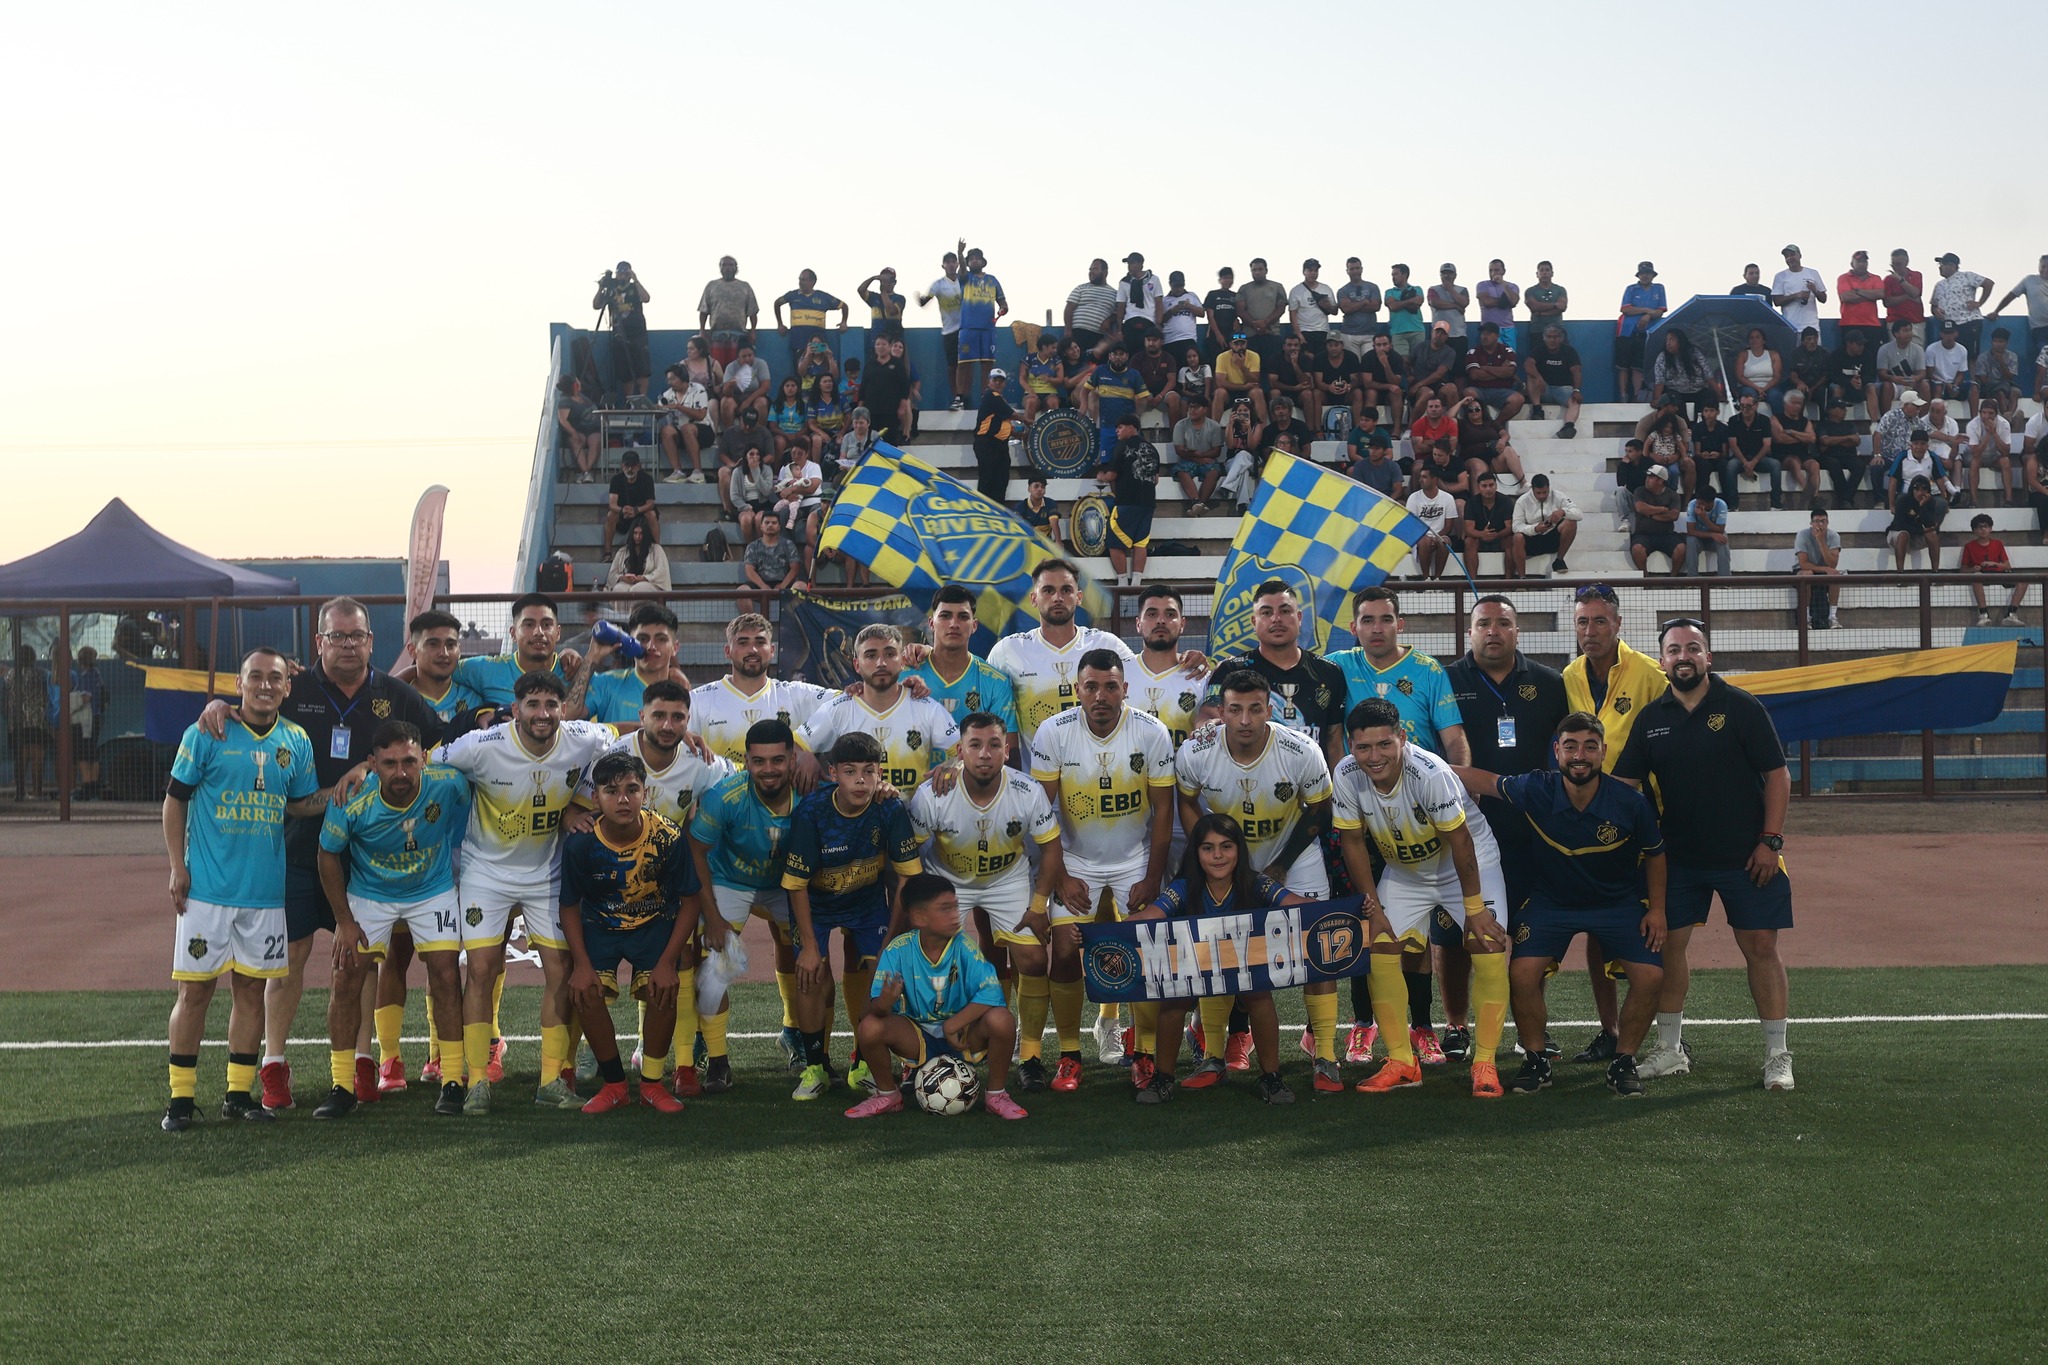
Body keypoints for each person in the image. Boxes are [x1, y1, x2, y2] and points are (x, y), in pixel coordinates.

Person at [196, 599, 444, 1109]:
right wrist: (218, 705)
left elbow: (440, 747)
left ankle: (360, 1062)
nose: (348, 646)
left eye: (356, 637)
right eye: (337, 637)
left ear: (371, 642)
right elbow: (247, 712)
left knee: (360, 961)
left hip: (371, 856)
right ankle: (274, 1066)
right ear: (319, 643)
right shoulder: (293, 690)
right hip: (296, 848)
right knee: (289, 959)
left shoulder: (398, 695)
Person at [1615, 621, 1795, 1092]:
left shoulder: (1741, 707)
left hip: (1747, 856)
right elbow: (1625, 786)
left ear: (1708, 657)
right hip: (1677, 859)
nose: (1683, 657)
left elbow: (1778, 776)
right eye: (1673, 650)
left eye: (1693, 648)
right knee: (1668, 948)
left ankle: (1778, 1055)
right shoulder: (1651, 717)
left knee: (1760, 948)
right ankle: (1670, 1051)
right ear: (1663, 662)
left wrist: (1770, 841)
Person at [1453, 713, 1669, 1098]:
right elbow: (1484, 780)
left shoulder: (1630, 802)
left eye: (1589, 746)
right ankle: (1536, 1060)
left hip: (1616, 902)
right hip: (1551, 901)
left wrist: (1657, 909)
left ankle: (1624, 1061)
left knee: (1651, 977)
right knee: (1521, 974)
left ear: (1603, 752)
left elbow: (1656, 855)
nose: (1579, 755)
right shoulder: (1536, 787)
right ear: (1557, 752)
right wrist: (1420, 763)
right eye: (1570, 746)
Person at [430, 671, 616, 1113]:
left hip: (544, 871)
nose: (543, 714)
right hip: (485, 872)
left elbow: (622, 738)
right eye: (532, 705)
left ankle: (550, 1080)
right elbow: (430, 759)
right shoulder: (482, 745)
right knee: (481, 969)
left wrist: (579, 803)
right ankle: (477, 1081)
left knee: (562, 966)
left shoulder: (583, 738)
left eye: (551, 705)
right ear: (515, 710)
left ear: (563, 710)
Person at [159, 648, 323, 1131]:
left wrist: (341, 793)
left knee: (251, 991)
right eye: (256, 677)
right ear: (240, 682)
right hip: (207, 891)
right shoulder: (206, 731)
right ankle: (181, 1100)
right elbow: (174, 802)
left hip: (265, 894)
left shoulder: (295, 739)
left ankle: (238, 1093)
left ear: (287, 687)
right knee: (195, 994)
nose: (266, 685)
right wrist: (177, 867)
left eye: (275, 678)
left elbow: (299, 803)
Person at [1332, 699, 1510, 1098]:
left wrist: (1475, 909)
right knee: (1379, 948)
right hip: (1406, 872)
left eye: (1383, 745)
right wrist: (1374, 909)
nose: (1374, 757)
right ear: (1350, 746)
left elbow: (1461, 841)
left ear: (1402, 738)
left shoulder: (1430, 773)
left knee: (1488, 946)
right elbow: (1353, 841)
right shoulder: (1345, 774)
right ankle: (1402, 1062)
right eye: (1363, 748)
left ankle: (1485, 1063)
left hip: (1465, 864)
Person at [1174, 670, 1337, 1090]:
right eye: (1234, 710)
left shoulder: (1301, 750)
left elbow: (1318, 813)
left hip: (1292, 855)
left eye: (1254, 709)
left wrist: (1280, 867)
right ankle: (1212, 1056)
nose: (1245, 719)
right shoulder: (1196, 750)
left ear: (1271, 709)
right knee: (1217, 947)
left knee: (1317, 945)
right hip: (1227, 859)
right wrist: (1211, 854)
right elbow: (1187, 802)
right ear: (1221, 711)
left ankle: (1326, 1055)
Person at [1027, 650, 1177, 1091]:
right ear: (1078, 691)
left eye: (1110, 686)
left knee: (1144, 949)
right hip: (1075, 860)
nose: (1101, 695)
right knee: (1068, 952)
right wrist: (1059, 876)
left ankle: (1143, 1052)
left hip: (1135, 857)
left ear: (1124, 689)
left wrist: (1152, 876)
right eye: (1091, 686)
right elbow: (1041, 812)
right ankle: (1070, 1054)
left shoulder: (1152, 732)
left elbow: (1164, 813)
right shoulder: (1053, 732)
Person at [311, 721, 473, 1118]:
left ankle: (452, 1080)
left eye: (408, 762)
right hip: (371, 894)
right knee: (345, 975)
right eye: (388, 764)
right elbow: (326, 855)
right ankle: (342, 1086)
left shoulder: (449, 783)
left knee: (446, 975)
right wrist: (344, 921)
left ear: (423, 759)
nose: (400, 772)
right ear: (372, 764)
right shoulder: (351, 796)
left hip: (430, 889)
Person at [579, 679, 733, 1092]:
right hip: (607, 880)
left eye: (679, 717)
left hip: (669, 877)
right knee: (586, 972)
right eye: (659, 715)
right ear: (642, 715)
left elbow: (742, 785)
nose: (668, 725)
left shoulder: (702, 761)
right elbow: (577, 799)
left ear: (689, 720)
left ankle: (682, 1064)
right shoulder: (611, 754)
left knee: (681, 958)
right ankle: (589, 1053)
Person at [1444, 596, 1570, 1063]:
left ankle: (1532, 1027)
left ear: (1517, 631)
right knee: (1456, 932)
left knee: (1527, 932)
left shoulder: (1550, 683)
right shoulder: (1447, 680)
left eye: (1503, 623)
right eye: (1483, 624)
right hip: (1463, 827)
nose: (1492, 631)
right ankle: (1456, 1026)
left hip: (1532, 830)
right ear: (1470, 631)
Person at [904, 713, 1058, 1087]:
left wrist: (1038, 907)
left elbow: (1051, 851)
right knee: (927, 963)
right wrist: (920, 907)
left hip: (1007, 878)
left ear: (1007, 751)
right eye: (975, 745)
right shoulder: (932, 795)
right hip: (946, 879)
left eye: (994, 745)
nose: (984, 753)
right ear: (960, 751)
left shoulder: (1027, 791)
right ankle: (918, 1055)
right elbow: (911, 856)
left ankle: (1032, 1055)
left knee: (1034, 958)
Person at [1558, 583, 1670, 1062]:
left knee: (1646, 932)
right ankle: (1609, 1031)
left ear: (1618, 625)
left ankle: (1661, 1035)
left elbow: (1674, 739)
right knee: (1598, 933)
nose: (1590, 631)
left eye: (1600, 621)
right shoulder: (1568, 676)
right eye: (1582, 621)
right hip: (1590, 824)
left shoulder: (1648, 673)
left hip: (1644, 825)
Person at [780, 732, 923, 1102]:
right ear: (832, 773)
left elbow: (907, 876)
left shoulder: (890, 809)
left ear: (880, 773)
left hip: (867, 901)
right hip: (818, 904)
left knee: (883, 971)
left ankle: (862, 1063)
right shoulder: (811, 813)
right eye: (850, 771)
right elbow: (795, 885)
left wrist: (892, 940)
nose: (861, 780)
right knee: (811, 976)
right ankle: (816, 1067)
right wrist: (810, 946)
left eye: (869, 771)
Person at [556, 752, 697, 1115]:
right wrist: (582, 964)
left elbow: (690, 901)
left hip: (654, 924)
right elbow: (569, 906)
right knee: (584, 990)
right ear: (596, 799)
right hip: (600, 926)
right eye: (611, 790)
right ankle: (615, 1084)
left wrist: (668, 961)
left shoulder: (668, 836)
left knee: (664, 987)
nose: (622, 799)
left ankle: (652, 1084)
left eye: (632, 789)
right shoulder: (580, 844)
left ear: (645, 794)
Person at [1128, 813, 1303, 1105]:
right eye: (1208, 848)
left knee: (1260, 994)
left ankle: (1271, 1077)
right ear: (1196, 853)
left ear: (1239, 850)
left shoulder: (1255, 882)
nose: (1218, 855)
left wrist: (1346, 909)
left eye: (1226, 846)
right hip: (1196, 965)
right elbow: (1150, 915)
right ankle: (1164, 1079)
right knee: (1173, 1001)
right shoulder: (1184, 887)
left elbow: (1296, 903)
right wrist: (1102, 932)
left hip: (1242, 964)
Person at [844, 874, 1027, 1120]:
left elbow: (993, 993)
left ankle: (996, 1095)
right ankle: (888, 1095)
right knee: (870, 1028)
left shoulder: (964, 945)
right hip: (916, 1036)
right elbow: (872, 1010)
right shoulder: (898, 950)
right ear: (919, 917)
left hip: (963, 1036)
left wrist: (955, 1023)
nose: (954, 914)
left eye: (955, 906)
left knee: (1002, 1019)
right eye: (945, 908)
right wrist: (885, 1003)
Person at [686, 719, 802, 1089]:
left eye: (777, 760)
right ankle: (717, 1059)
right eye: (759, 761)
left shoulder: (812, 793)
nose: (768, 770)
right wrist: (713, 917)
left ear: (793, 760)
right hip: (730, 878)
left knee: (809, 958)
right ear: (747, 761)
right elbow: (696, 849)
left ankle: (805, 1042)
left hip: (786, 883)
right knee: (714, 965)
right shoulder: (726, 796)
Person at [798, 624, 960, 794]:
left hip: (914, 818)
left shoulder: (927, 708)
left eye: (890, 654)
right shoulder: (839, 708)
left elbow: (963, 752)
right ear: (857, 665)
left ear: (902, 661)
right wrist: (804, 755)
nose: (881, 663)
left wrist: (957, 762)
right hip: (857, 819)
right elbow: (795, 744)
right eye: (871, 655)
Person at [1097, 412, 1160, 587]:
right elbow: (1156, 479)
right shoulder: (1152, 449)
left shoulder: (1121, 447)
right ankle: (1137, 584)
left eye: (1120, 427)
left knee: (1114, 542)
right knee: (1140, 542)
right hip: (1148, 502)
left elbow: (1111, 475)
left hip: (1127, 502)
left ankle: (1123, 583)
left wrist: (1101, 475)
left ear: (1131, 428)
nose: (1117, 431)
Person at [772, 267, 849, 374]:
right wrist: (780, 324)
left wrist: (844, 322)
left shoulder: (823, 297)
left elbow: (844, 306)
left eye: (803, 279)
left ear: (812, 282)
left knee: (821, 376)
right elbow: (777, 303)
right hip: (798, 344)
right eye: (799, 279)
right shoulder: (793, 295)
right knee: (800, 376)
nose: (800, 282)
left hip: (818, 347)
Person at [955, 247, 1008, 403]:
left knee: (987, 364)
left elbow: (1003, 301)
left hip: (987, 329)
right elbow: (962, 270)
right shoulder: (965, 277)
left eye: (977, 258)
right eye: (971, 259)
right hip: (968, 328)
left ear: (983, 262)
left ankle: (987, 396)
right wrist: (959, 254)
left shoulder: (992, 279)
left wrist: (1003, 308)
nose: (974, 260)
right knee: (963, 363)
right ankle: (959, 397)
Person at [594, 262, 651, 399]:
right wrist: (601, 287)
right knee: (625, 374)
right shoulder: (611, 289)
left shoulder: (633, 287)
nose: (623, 276)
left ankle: (642, 401)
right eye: (620, 273)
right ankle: (630, 401)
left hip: (637, 333)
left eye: (626, 273)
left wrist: (635, 280)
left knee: (642, 370)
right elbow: (596, 305)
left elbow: (646, 298)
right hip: (619, 334)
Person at [1958, 514, 2027, 626]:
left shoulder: (1998, 544)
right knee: (1976, 577)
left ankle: (2012, 613)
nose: (1983, 529)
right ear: (1974, 530)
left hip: (1998, 573)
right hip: (1981, 574)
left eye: (1986, 526)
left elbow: (2007, 566)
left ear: (1990, 528)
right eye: (1980, 527)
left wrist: (1994, 563)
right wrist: (1973, 569)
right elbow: (1963, 570)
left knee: (2023, 580)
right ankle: (1984, 614)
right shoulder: (1969, 546)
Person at [1615, 261, 1667, 401]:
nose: (1645, 276)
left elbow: (1661, 311)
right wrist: (1647, 310)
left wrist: (1648, 315)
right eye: (1643, 273)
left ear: (1652, 275)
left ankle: (1637, 396)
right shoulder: (1631, 289)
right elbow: (1625, 309)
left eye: (1648, 273)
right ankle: (1623, 396)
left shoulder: (1659, 288)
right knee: (1623, 366)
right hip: (1626, 331)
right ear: (1639, 275)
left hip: (1647, 332)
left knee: (1638, 366)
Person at [657, 358, 714, 484]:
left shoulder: (698, 389)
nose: (669, 382)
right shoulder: (667, 395)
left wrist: (678, 406)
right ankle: (678, 472)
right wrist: (656, 410)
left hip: (703, 431)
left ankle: (698, 472)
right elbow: (660, 414)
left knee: (687, 428)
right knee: (666, 431)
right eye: (668, 379)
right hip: (680, 433)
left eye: (672, 379)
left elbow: (701, 415)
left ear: (682, 377)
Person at [1511, 473, 1580, 574]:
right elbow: (1516, 526)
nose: (1542, 496)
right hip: (1532, 539)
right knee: (1517, 537)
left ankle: (1559, 560)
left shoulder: (1558, 496)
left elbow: (1579, 513)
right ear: (1532, 490)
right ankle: (1522, 579)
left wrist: (1563, 512)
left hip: (1552, 537)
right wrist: (1535, 529)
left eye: (1545, 492)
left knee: (1571, 522)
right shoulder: (1522, 501)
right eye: (1538, 493)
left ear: (1549, 488)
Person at [696, 256, 759, 367]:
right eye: (724, 265)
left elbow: (752, 312)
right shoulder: (712, 286)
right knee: (717, 367)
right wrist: (702, 330)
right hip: (716, 335)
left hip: (739, 335)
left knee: (739, 368)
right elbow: (703, 311)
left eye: (731, 265)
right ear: (720, 268)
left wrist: (753, 330)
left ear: (736, 268)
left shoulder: (745, 287)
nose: (727, 268)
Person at [1929, 252, 1994, 357]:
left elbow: (1988, 283)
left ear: (1952, 265)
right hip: (1949, 326)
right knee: (1947, 355)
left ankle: (1973, 374)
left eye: (1942, 264)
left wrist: (1979, 303)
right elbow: (1933, 305)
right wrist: (1935, 310)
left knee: (1971, 355)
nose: (1940, 268)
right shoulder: (1939, 285)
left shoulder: (1967, 276)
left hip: (1968, 321)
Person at [1725, 394, 1784, 509]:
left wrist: (1753, 462)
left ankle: (1776, 503)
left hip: (1760, 458)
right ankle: (1733, 504)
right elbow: (1733, 445)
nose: (1745, 409)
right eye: (1742, 406)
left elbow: (1767, 444)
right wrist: (1745, 463)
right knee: (1731, 466)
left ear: (1756, 406)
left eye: (1748, 406)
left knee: (1775, 464)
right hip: (1740, 458)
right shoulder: (1733, 421)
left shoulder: (1764, 420)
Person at [1525, 325, 1582, 438]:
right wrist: (1538, 377)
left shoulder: (1569, 351)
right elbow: (1528, 364)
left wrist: (1576, 390)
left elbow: (1577, 371)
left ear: (1561, 338)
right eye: (1549, 337)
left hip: (1563, 389)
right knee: (1531, 376)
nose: (1552, 340)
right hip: (1543, 389)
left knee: (1576, 400)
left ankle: (1569, 426)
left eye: (1555, 337)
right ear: (1544, 338)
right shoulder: (1539, 349)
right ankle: (1537, 411)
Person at [972, 366, 1018, 504]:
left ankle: (997, 511)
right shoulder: (990, 395)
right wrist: (1029, 421)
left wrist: (1020, 435)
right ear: (988, 382)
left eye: (1000, 381)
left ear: (1004, 384)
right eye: (995, 380)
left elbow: (1002, 425)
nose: (997, 383)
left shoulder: (1000, 400)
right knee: (987, 479)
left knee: (1001, 481)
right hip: (987, 443)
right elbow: (1011, 414)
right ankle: (984, 511)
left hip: (1000, 445)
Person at [1794, 504, 1845, 629]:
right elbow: (1803, 563)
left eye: (1823, 521)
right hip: (1804, 570)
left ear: (1828, 522)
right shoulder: (1802, 535)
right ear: (1811, 523)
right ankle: (1806, 618)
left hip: (1823, 571)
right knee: (1807, 574)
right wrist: (1825, 569)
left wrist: (1821, 541)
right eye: (1817, 521)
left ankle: (1832, 617)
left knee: (1835, 575)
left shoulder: (1834, 536)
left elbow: (1832, 564)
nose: (1820, 525)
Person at [603, 449, 659, 560]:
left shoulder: (647, 479)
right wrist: (622, 510)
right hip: (624, 515)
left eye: (633, 466)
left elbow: (650, 503)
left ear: (638, 466)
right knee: (611, 515)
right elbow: (612, 504)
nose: (630, 469)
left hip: (641, 515)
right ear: (622, 466)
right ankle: (607, 553)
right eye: (627, 465)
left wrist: (636, 510)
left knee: (651, 514)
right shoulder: (616, 480)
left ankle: (658, 551)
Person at [1462, 321, 1523, 421]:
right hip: (1479, 389)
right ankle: (1479, 424)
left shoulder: (1507, 350)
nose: (1484, 337)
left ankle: (1496, 426)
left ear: (1497, 336)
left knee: (1518, 399)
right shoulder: (1473, 352)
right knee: (1468, 393)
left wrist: (1485, 368)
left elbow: (1509, 372)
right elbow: (1475, 375)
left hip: (1502, 390)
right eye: (1483, 333)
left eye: (1488, 334)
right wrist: (1501, 371)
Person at [1235, 258, 1289, 370]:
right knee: (1252, 370)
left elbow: (1281, 308)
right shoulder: (1244, 289)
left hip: (1272, 333)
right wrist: (1256, 325)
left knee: (1274, 369)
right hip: (1251, 335)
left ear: (1266, 270)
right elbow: (1240, 310)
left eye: (1260, 269)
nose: (1257, 272)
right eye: (1254, 270)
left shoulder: (1277, 287)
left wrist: (1266, 322)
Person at [1960, 399, 2015, 507]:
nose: (1987, 416)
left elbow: (2005, 452)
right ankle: (1973, 500)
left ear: (1996, 414)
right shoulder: (1972, 425)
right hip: (1973, 456)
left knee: (2006, 461)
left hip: (1994, 456)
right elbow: (1975, 453)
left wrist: (1994, 433)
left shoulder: (2004, 423)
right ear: (1980, 413)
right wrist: (1988, 435)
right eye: (1984, 413)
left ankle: (2009, 499)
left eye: (1990, 413)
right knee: (1975, 462)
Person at [1771, 388, 1822, 504]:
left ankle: (1815, 497)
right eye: (1794, 403)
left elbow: (1812, 438)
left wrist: (1792, 432)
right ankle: (1807, 489)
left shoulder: (1805, 421)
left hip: (1802, 453)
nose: (1797, 406)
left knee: (1814, 465)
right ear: (1785, 404)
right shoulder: (1776, 419)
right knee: (1794, 462)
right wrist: (1802, 437)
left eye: (1799, 403)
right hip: (1783, 454)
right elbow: (1779, 438)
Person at [1463, 470, 1516, 575]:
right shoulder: (1471, 502)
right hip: (1479, 539)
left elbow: (1510, 527)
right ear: (1478, 487)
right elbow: (1468, 529)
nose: (1488, 489)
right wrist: (1482, 534)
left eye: (1491, 485)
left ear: (1496, 486)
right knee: (1469, 541)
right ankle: (1473, 583)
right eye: (1484, 486)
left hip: (1501, 538)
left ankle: (1508, 583)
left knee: (1511, 540)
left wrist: (1496, 535)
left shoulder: (1505, 501)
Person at [1889, 475, 1948, 569]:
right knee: (1903, 535)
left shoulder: (1930, 502)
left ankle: (1936, 572)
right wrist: (1921, 531)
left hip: (1917, 536)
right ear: (1912, 489)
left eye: (1924, 490)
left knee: (1933, 535)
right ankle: (1900, 575)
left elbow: (1930, 524)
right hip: (1898, 533)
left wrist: (1921, 506)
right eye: (1917, 489)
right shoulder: (1902, 500)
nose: (1920, 493)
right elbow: (1899, 525)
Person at [1064, 258, 1119, 356]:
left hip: (1097, 336)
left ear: (1105, 272)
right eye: (1090, 270)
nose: (1091, 272)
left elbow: (1118, 313)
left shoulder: (1114, 294)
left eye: (1095, 269)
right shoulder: (1081, 288)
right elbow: (1069, 308)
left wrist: (1109, 320)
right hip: (1077, 333)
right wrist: (1068, 330)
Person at [1837, 250, 1887, 356]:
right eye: (1858, 261)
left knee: (1872, 356)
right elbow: (1846, 297)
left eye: (1864, 262)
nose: (1861, 264)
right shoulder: (1844, 278)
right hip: (1849, 324)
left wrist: (1857, 291)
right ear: (1852, 263)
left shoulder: (1875, 278)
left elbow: (1881, 294)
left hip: (1872, 325)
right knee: (1848, 357)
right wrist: (1870, 296)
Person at [1771, 244, 1828, 338]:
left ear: (1800, 255)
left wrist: (1815, 290)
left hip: (1811, 325)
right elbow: (1777, 301)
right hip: (1790, 325)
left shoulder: (1812, 273)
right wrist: (1796, 295)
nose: (1790, 258)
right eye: (1787, 256)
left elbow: (1824, 299)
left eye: (1792, 254)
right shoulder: (1780, 276)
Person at [1113, 252, 1163, 355]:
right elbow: (1121, 307)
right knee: (1130, 352)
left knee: (1147, 353)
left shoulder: (1154, 279)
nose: (1129, 266)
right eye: (1129, 264)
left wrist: (1158, 324)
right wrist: (1119, 330)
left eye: (1133, 263)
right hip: (1130, 320)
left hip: (1149, 321)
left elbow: (1158, 302)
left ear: (1141, 264)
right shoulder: (1124, 282)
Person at [1875, 318, 1931, 409]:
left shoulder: (1918, 349)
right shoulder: (1884, 349)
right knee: (1886, 386)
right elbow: (1881, 373)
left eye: (1910, 330)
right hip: (1894, 385)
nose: (1909, 333)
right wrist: (1893, 378)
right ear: (1896, 334)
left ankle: (1923, 420)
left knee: (1924, 385)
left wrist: (1916, 378)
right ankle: (1885, 420)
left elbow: (1922, 373)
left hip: (1912, 384)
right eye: (1905, 331)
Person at [608, 517, 671, 597]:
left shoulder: (656, 549)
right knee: (619, 590)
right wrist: (622, 578)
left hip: (649, 584)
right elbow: (612, 574)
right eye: (635, 533)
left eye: (641, 533)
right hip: (627, 583)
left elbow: (662, 571)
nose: (637, 536)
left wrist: (644, 578)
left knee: (638, 589)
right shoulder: (623, 551)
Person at [1213, 331, 1267, 422]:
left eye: (1242, 343)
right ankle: (1214, 428)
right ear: (1230, 344)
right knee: (1219, 392)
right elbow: (1220, 383)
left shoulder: (1254, 356)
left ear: (1246, 343)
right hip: (1230, 391)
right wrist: (1243, 387)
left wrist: (1242, 366)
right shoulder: (1222, 357)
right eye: (1236, 344)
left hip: (1248, 391)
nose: (1239, 347)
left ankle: (1263, 428)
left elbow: (1255, 381)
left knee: (1258, 392)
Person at [555, 376, 601, 482]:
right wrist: (573, 432)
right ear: (574, 385)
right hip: (578, 430)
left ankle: (585, 471)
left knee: (596, 441)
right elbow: (563, 420)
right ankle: (586, 471)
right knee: (576, 442)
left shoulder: (582, 397)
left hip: (592, 429)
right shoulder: (565, 401)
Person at [716, 342, 772, 429]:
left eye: (750, 355)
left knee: (762, 402)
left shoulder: (761, 364)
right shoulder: (731, 367)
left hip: (755, 397)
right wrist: (731, 384)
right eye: (744, 356)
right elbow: (725, 392)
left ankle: (760, 433)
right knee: (726, 402)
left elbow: (765, 387)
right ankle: (729, 434)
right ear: (738, 357)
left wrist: (747, 401)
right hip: (737, 398)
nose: (748, 358)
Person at [1334, 257, 1381, 358]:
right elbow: (1346, 309)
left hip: (1369, 334)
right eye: (1352, 269)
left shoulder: (1372, 287)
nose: (1355, 271)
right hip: (1349, 335)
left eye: (1357, 268)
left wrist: (1353, 304)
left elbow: (1376, 306)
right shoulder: (1342, 290)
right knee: (1353, 368)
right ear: (1347, 271)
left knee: (1368, 366)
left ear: (1361, 269)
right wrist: (1364, 302)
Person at [1730, 327, 1785, 411]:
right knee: (1749, 397)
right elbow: (1739, 376)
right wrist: (1757, 388)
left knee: (1776, 395)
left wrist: (1764, 389)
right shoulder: (1743, 355)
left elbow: (1777, 376)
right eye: (1751, 337)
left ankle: (1780, 421)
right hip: (1748, 386)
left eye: (1757, 337)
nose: (1754, 340)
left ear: (1763, 341)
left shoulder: (1773, 354)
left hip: (1769, 386)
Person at [1972, 328, 2022, 419]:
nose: (1998, 344)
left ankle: (2009, 415)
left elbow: (2010, 377)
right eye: (1995, 341)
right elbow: (1983, 379)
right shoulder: (1983, 357)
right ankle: (2007, 419)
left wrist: (2001, 362)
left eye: (2001, 341)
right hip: (1990, 387)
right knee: (2000, 393)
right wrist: (1998, 384)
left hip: (2008, 385)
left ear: (2006, 343)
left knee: (2015, 392)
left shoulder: (2012, 356)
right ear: (1992, 342)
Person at [1288, 258, 1338, 348]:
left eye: (1316, 270)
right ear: (1304, 272)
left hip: (1323, 330)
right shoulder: (1296, 291)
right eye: (1310, 270)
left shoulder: (1326, 288)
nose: (1313, 273)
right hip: (1304, 331)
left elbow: (1335, 312)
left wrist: (1328, 306)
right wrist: (1299, 335)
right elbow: (1293, 315)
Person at [1427, 263, 1471, 364]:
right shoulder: (1433, 289)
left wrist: (1450, 289)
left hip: (1458, 335)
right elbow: (1435, 302)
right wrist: (1455, 306)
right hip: (1438, 336)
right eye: (1444, 273)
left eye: (1450, 273)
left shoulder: (1462, 290)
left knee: (1458, 369)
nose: (1447, 276)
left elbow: (1464, 302)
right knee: (1437, 367)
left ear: (1455, 275)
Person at [1683, 487, 1732, 577]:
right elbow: (1690, 531)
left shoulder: (1721, 505)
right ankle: (1692, 578)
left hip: (1714, 540)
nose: (1698, 505)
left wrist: (1705, 518)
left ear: (1710, 503)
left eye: (1701, 503)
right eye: (1697, 502)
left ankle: (1725, 579)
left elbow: (1720, 530)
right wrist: (1711, 534)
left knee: (1723, 538)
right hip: (1698, 538)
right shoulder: (1692, 504)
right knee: (1691, 540)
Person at [1475, 259, 1521, 352]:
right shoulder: (1482, 285)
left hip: (1508, 328)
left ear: (1503, 271)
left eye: (1496, 270)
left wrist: (1503, 284)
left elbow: (1513, 301)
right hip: (1489, 328)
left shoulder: (1512, 286)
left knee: (1510, 356)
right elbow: (1486, 301)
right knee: (1491, 356)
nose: (1493, 273)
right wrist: (1504, 302)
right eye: (1491, 270)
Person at [1384, 262, 1427, 359]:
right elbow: (1392, 306)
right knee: (1402, 361)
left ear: (1405, 275)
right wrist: (1410, 301)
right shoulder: (1389, 292)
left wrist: (1398, 302)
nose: (1393, 277)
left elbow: (1418, 303)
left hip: (1416, 330)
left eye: (1396, 274)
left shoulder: (1417, 289)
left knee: (1418, 360)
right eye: (1392, 275)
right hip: (1397, 332)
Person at [1021, 332, 1064, 428]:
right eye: (1053, 347)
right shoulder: (1029, 358)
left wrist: (1049, 379)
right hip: (1031, 393)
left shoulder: (1056, 360)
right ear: (1044, 347)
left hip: (1050, 393)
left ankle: (1053, 435)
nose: (1055, 350)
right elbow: (1022, 378)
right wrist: (1031, 392)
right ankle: (1028, 436)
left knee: (1053, 402)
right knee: (1031, 402)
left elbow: (1060, 379)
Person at [1884, 248, 1927, 342]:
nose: (1895, 267)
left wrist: (1900, 279)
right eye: (1893, 264)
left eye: (1898, 264)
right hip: (1895, 321)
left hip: (1915, 322)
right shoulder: (1888, 279)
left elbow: (1916, 293)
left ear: (1906, 261)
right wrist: (1907, 296)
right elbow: (1887, 302)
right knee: (1896, 353)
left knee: (1917, 351)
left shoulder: (1916, 275)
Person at [1926, 320, 1973, 404]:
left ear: (1956, 333)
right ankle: (1935, 414)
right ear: (1941, 334)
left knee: (1974, 387)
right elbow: (1930, 374)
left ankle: (1975, 417)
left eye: (1951, 333)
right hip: (1937, 382)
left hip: (1954, 383)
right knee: (1938, 388)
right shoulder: (1931, 349)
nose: (1949, 336)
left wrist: (1955, 385)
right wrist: (1946, 384)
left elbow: (1961, 373)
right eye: (1946, 333)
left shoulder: (1962, 350)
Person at [854, 267, 907, 339]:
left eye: (888, 279)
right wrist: (872, 278)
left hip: (893, 341)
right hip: (876, 341)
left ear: (894, 282)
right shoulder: (874, 298)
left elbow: (892, 311)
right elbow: (861, 290)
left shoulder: (899, 298)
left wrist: (883, 292)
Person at [1202, 266, 1239, 362]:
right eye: (1225, 278)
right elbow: (1210, 316)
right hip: (1214, 336)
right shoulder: (1213, 294)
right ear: (1220, 280)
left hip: (1230, 336)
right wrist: (1218, 335)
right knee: (1216, 363)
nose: (1228, 280)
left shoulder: (1235, 296)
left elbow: (1236, 316)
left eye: (1230, 278)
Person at [1525, 260, 1568, 339]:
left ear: (1552, 273)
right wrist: (1555, 305)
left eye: (1547, 270)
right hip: (1537, 330)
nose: (1544, 273)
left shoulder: (1560, 290)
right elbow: (1534, 306)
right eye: (1541, 270)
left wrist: (1541, 313)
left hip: (1558, 330)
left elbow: (1562, 307)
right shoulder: (1530, 291)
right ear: (1537, 274)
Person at [1015, 475, 1062, 544]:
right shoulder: (1020, 506)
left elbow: (1054, 522)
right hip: (1028, 543)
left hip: (1046, 544)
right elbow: (1018, 529)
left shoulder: (1050, 503)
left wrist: (1058, 541)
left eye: (1043, 487)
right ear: (1029, 489)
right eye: (1036, 486)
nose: (1040, 489)